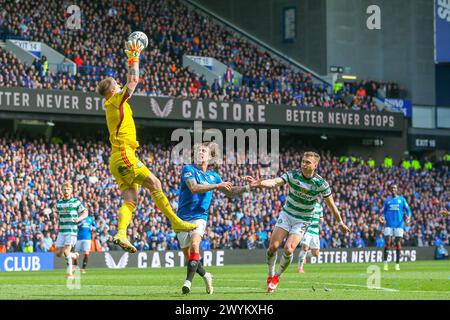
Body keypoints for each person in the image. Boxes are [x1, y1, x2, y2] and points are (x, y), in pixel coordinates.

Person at [96, 37, 197, 253]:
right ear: (112, 90)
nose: (119, 83)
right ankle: (175, 221)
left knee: (131, 200)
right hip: (124, 154)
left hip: (116, 160)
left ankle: (122, 232)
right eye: (116, 82)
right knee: (155, 183)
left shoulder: (112, 104)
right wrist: (134, 56)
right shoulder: (114, 100)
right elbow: (133, 82)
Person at [245, 151, 350, 293]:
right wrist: (260, 183)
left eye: (308, 162)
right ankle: (270, 274)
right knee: (273, 247)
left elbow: (332, 206)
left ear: (315, 165)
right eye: (303, 161)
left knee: (289, 249)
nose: (304, 164)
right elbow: (275, 182)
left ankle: (277, 277)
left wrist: (340, 223)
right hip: (287, 214)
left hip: (303, 219)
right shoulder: (293, 175)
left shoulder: (321, 183)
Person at [177, 142, 259, 295]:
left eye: (203, 151)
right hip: (182, 218)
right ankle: (206, 275)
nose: (200, 153)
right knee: (189, 257)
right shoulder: (188, 169)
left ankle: (187, 283)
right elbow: (193, 188)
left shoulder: (214, 176)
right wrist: (216, 186)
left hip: (199, 216)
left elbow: (230, 192)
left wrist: (249, 187)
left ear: (210, 157)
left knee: (195, 245)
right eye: (198, 151)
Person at [54, 181, 88, 279]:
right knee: (58, 253)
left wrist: (79, 218)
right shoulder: (59, 203)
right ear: (61, 191)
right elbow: (56, 213)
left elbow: (85, 213)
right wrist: (55, 218)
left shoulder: (76, 202)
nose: (66, 191)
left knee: (65, 251)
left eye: (68, 189)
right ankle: (73, 255)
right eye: (64, 189)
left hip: (71, 230)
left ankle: (70, 273)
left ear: (71, 191)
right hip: (62, 231)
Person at [379, 184, 412, 271]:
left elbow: (408, 210)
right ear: (390, 190)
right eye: (392, 188)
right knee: (388, 243)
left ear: (397, 190)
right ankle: (385, 263)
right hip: (389, 225)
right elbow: (384, 212)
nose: (393, 189)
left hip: (399, 225)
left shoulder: (402, 199)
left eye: (395, 188)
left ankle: (397, 264)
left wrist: (408, 217)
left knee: (398, 243)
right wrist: (382, 217)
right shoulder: (387, 201)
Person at [297, 200, 323, 273]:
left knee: (315, 253)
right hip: (307, 228)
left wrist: (321, 223)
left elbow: (321, 218)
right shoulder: (307, 204)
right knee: (305, 247)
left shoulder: (320, 207)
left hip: (315, 230)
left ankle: (304, 255)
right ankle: (300, 268)